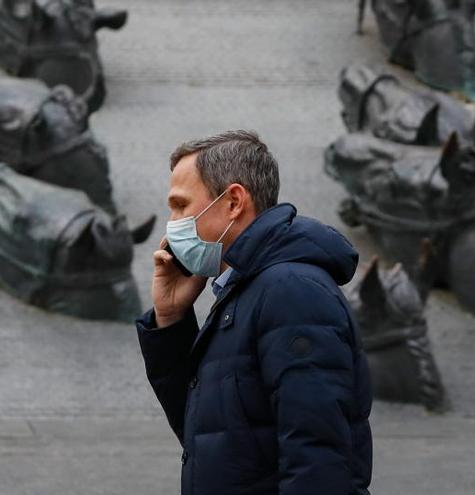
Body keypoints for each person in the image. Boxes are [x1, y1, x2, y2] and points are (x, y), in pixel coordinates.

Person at [136, 131, 373, 494]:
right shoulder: (247, 289)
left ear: (233, 201)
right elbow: (212, 435)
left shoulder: (290, 291)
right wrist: (170, 320)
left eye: (181, 206)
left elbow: (318, 459)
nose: (173, 224)